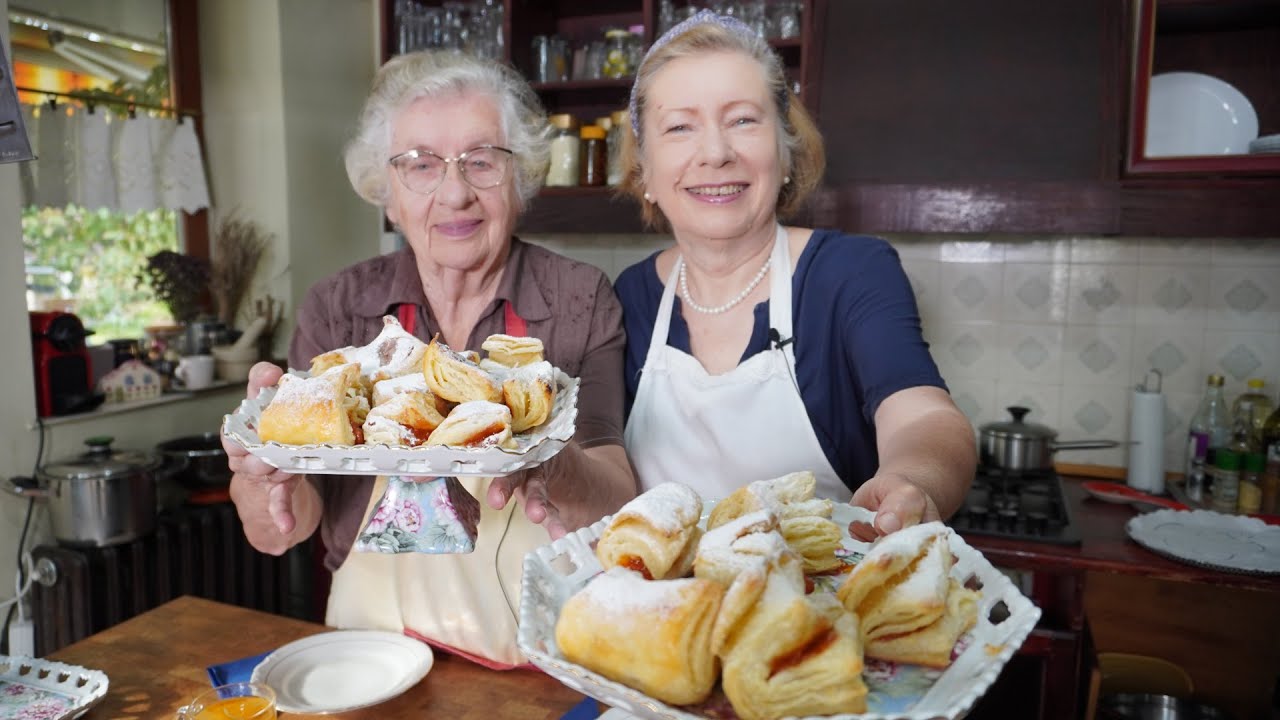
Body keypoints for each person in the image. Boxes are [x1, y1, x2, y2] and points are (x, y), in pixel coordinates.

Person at [223, 50, 635, 667]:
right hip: (371, 655)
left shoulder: (579, 298)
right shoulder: (339, 307)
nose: (455, 193)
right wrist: (265, 481)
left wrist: (548, 458)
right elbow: (282, 531)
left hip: (541, 662)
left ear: (518, 182)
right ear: (387, 194)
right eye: (420, 164)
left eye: (481, 161)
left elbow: (616, 499)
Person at [614, 11, 976, 538]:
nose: (715, 153)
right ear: (644, 169)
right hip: (658, 591)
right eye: (679, 127)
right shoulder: (627, 297)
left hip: (821, 589)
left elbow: (923, 416)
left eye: (743, 120)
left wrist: (913, 479)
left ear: (785, 152)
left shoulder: (850, 273)